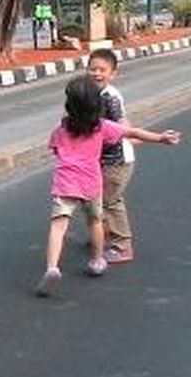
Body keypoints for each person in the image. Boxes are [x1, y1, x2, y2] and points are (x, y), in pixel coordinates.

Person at [35, 75, 180, 297]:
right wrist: (161, 138)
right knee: (95, 221)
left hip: (65, 185)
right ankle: (96, 260)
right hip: (92, 183)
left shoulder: (60, 131)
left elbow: (55, 148)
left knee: (58, 226)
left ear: (69, 106)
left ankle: (52, 267)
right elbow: (132, 133)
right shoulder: (102, 127)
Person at [86, 49, 182, 264]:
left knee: (110, 201)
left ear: (113, 74)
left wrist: (155, 139)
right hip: (104, 159)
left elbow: (123, 128)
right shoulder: (94, 94)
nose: (96, 74)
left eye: (102, 70)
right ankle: (104, 234)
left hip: (117, 161)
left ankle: (122, 247)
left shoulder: (110, 97)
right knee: (98, 199)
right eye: (93, 69)